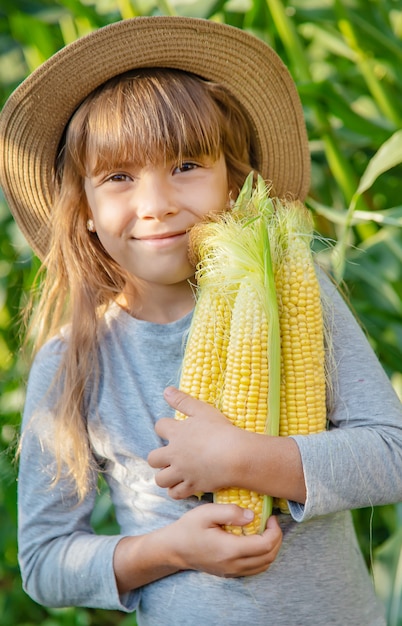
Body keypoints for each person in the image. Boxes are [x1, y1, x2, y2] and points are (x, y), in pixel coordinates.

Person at [1, 15, 401, 626]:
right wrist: (171, 549)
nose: (157, 204)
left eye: (186, 165)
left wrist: (242, 460)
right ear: (82, 208)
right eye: (119, 178)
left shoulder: (295, 295)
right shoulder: (75, 358)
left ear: (233, 183)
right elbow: (45, 561)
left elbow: (391, 454)